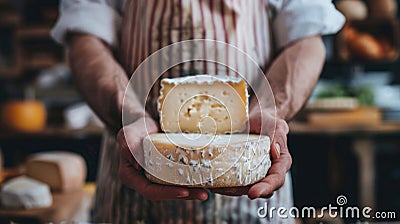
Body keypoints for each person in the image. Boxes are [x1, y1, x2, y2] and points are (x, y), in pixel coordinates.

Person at [51, 0, 345, 223]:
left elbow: (306, 36)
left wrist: (271, 108)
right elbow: (86, 35)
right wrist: (128, 114)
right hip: (133, 183)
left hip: (253, 194)